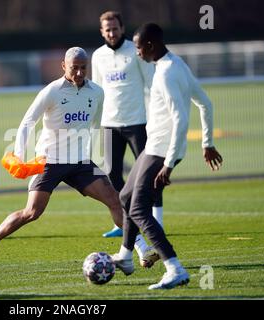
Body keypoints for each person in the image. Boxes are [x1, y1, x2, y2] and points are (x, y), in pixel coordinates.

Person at [0, 47, 124, 275]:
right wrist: (19, 156)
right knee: (32, 212)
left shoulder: (97, 92)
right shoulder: (52, 91)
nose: (80, 72)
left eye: (84, 67)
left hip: (79, 162)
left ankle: (134, 252)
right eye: (75, 68)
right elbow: (27, 122)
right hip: (49, 161)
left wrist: (90, 152)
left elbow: (94, 125)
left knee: (114, 199)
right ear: (64, 66)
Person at [112, 23, 223, 289]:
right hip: (154, 148)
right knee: (125, 196)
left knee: (139, 209)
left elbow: (180, 119)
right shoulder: (175, 64)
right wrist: (206, 143)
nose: (137, 53)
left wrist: (169, 164)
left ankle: (175, 268)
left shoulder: (167, 74)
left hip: (162, 151)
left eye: (138, 47)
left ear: (150, 45)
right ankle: (126, 256)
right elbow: (205, 103)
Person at [91, 11, 161, 268]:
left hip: (138, 123)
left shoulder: (136, 51)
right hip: (110, 125)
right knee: (112, 176)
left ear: (122, 28)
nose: (111, 33)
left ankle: (157, 219)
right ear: (102, 32)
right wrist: (95, 123)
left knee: (150, 176)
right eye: (107, 30)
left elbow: (151, 85)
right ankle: (121, 222)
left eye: (115, 28)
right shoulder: (98, 56)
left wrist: (154, 120)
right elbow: (97, 91)